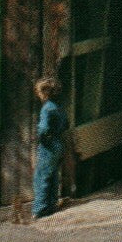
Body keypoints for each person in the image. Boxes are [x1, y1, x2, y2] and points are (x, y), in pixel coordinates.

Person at [33, 76, 69, 218]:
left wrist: (41, 138)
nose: (38, 95)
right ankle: (52, 204)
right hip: (59, 144)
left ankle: (40, 209)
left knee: (41, 176)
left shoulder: (46, 109)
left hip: (48, 146)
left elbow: (43, 129)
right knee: (53, 175)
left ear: (45, 93)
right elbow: (66, 124)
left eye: (39, 92)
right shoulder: (58, 107)